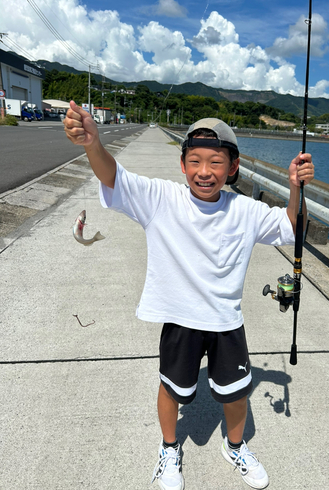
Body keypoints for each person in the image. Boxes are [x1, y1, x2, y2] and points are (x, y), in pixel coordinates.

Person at [64, 101, 314, 490]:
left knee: (236, 393)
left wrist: (296, 188)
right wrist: (93, 144)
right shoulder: (160, 199)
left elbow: (288, 226)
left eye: (216, 162)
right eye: (195, 160)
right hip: (179, 319)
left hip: (226, 321)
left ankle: (235, 447)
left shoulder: (245, 210)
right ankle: (168, 448)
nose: (204, 171)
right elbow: (114, 178)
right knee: (172, 388)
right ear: (182, 165)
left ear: (232, 169)